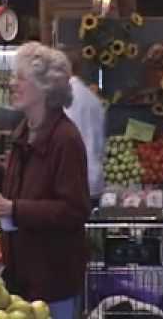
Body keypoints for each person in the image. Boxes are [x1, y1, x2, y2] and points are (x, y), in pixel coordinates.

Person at [0, 42, 90, 319]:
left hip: (53, 278)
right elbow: (21, 188)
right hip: (22, 276)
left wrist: (15, 210)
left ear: (46, 87)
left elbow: (74, 210)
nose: (12, 84)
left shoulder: (65, 139)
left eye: (20, 78)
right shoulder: (25, 131)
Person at [61, 45, 106, 208]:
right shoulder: (93, 100)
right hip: (95, 180)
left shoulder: (64, 99)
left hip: (72, 181)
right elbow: (101, 144)